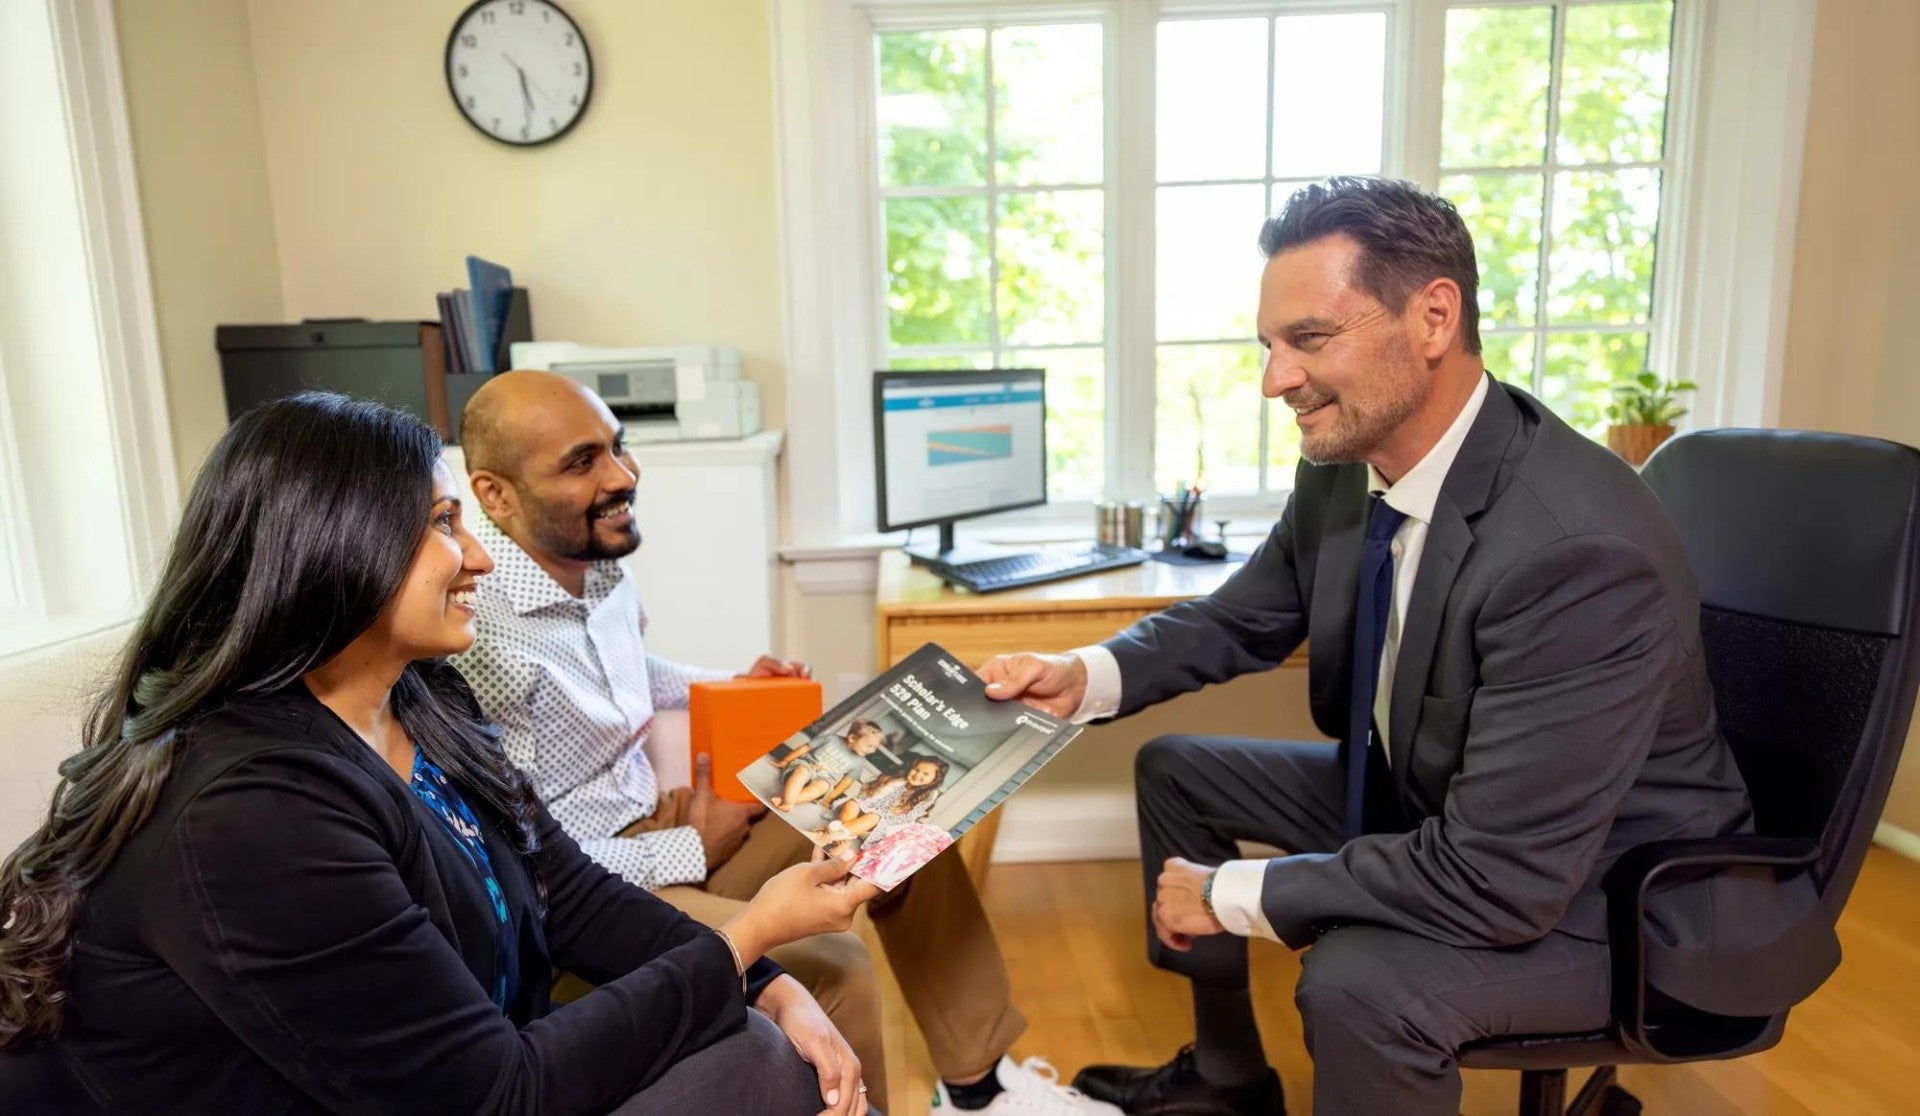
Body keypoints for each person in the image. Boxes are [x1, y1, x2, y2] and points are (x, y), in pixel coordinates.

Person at [980, 177, 1830, 1116]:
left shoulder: (1574, 550)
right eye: (1268, 346)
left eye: (1309, 340)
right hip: (1446, 810)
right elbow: (1240, 618)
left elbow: (1498, 877)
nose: (1274, 380)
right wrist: (1082, 676)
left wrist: (1233, 893)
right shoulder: (1355, 465)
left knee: (1356, 980)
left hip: (1610, 901)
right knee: (1178, 771)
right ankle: (1228, 1078)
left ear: (1432, 318)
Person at [0, 393, 879, 1115]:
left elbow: (566, 892)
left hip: (466, 1075)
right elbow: (494, 1097)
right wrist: (747, 937)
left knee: (764, 1034)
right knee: (754, 1068)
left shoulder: (423, 698)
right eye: (442, 525)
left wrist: (762, 975)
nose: (477, 562)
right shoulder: (250, 814)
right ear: (333, 548)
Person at [452, 371, 1118, 1115]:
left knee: (900, 809)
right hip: (607, 880)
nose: (623, 475)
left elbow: (631, 673)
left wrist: (735, 681)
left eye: (619, 446)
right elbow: (520, 864)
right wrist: (688, 847)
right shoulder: (478, 637)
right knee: (831, 965)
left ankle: (979, 1089)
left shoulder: (593, 564)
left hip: (675, 817)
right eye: (582, 462)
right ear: (495, 494)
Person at [772, 719, 891, 812]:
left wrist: (829, 798)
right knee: (801, 772)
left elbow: (846, 782)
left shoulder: (859, 762)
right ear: (853, 738)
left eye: (875, 748)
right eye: (869, 746)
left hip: (826, 779)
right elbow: (805, 748)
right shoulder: (830, 739)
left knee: (822, 787)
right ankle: (787, 801)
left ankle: (785, 801)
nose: (872, 751)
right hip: (808, 765)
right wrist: (786, 760)